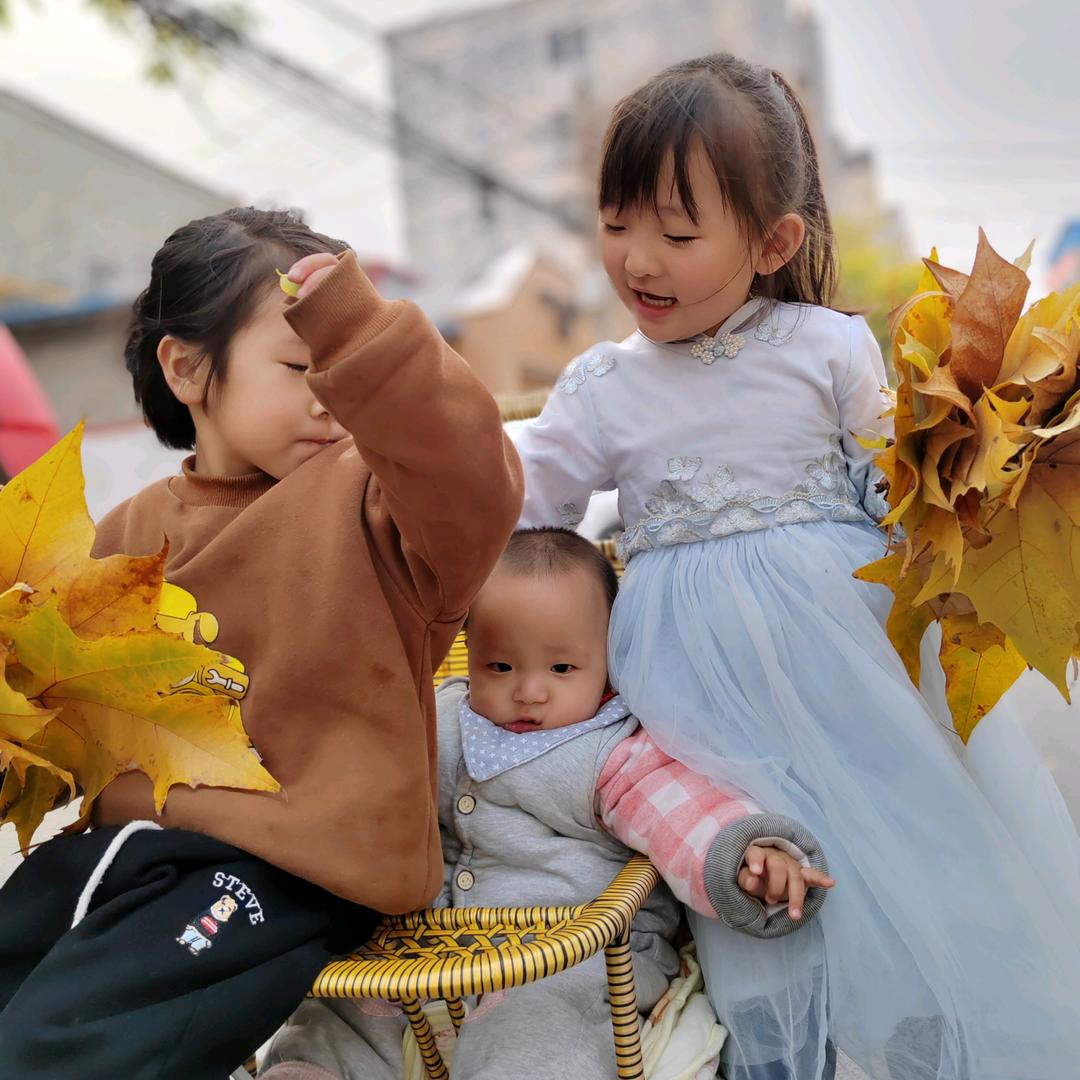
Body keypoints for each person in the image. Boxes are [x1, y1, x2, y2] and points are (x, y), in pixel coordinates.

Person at [513, 53, 1080, 1080]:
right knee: (770, 885)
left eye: (677, 233)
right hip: (699, 700)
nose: (638, 258)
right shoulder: (601, 387)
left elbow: (895, 490)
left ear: (773, 240)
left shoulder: (827, 344)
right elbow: (523, 501)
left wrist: (978, 503)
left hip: (854, 665)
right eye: (616, 221)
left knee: (912, 851)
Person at [0, 207, 523, 1078]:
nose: (329, 395)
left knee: (62, 1047)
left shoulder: (383, 508)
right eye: (297, 364)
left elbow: (473, 480)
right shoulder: (123, 537)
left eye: (340, 369)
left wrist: (356, 327)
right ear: (187, 367)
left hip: (296, 865)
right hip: (124, 850)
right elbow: (53, 714)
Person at [260, 527, 834, 1080]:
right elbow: (364, 777)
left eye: (562, 668)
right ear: (468, 648)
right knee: (337, 1016)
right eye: (499, 666)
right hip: (428, 949)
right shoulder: (437, 720)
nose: (529, 690)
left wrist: (745, 859)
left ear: (608, 659)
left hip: (573, 954)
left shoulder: (616, 751)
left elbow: (682, 815)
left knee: (540, 1030)